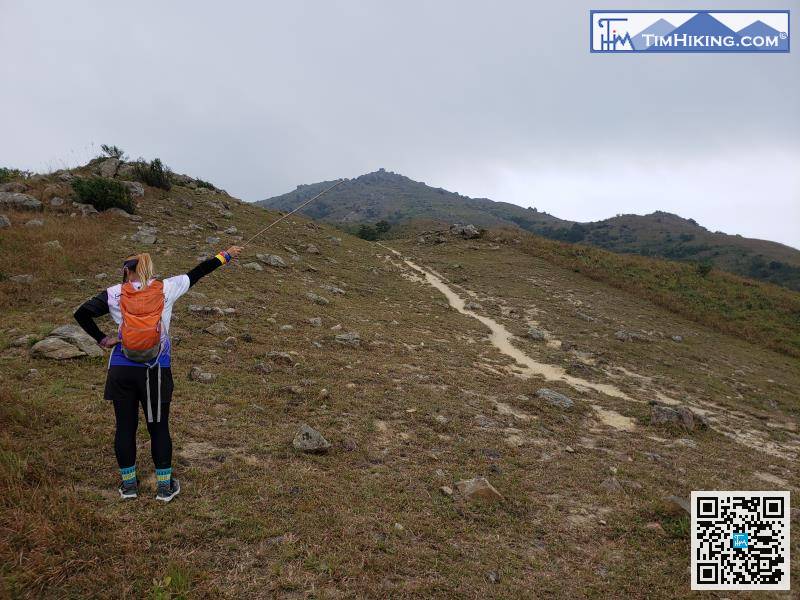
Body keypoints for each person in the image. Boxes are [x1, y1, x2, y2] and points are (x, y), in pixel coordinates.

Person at [73, 246, 242, 502]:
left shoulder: (115, 293)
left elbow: (81, 313)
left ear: (125, 271)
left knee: (125, 428)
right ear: (149, 270)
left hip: (121, 367)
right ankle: (164, 487)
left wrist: (102, 339)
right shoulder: (167, 287)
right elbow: (199, 272)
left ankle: (128, 486)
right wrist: (225, 255)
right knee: (159, 428)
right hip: (156, 369)